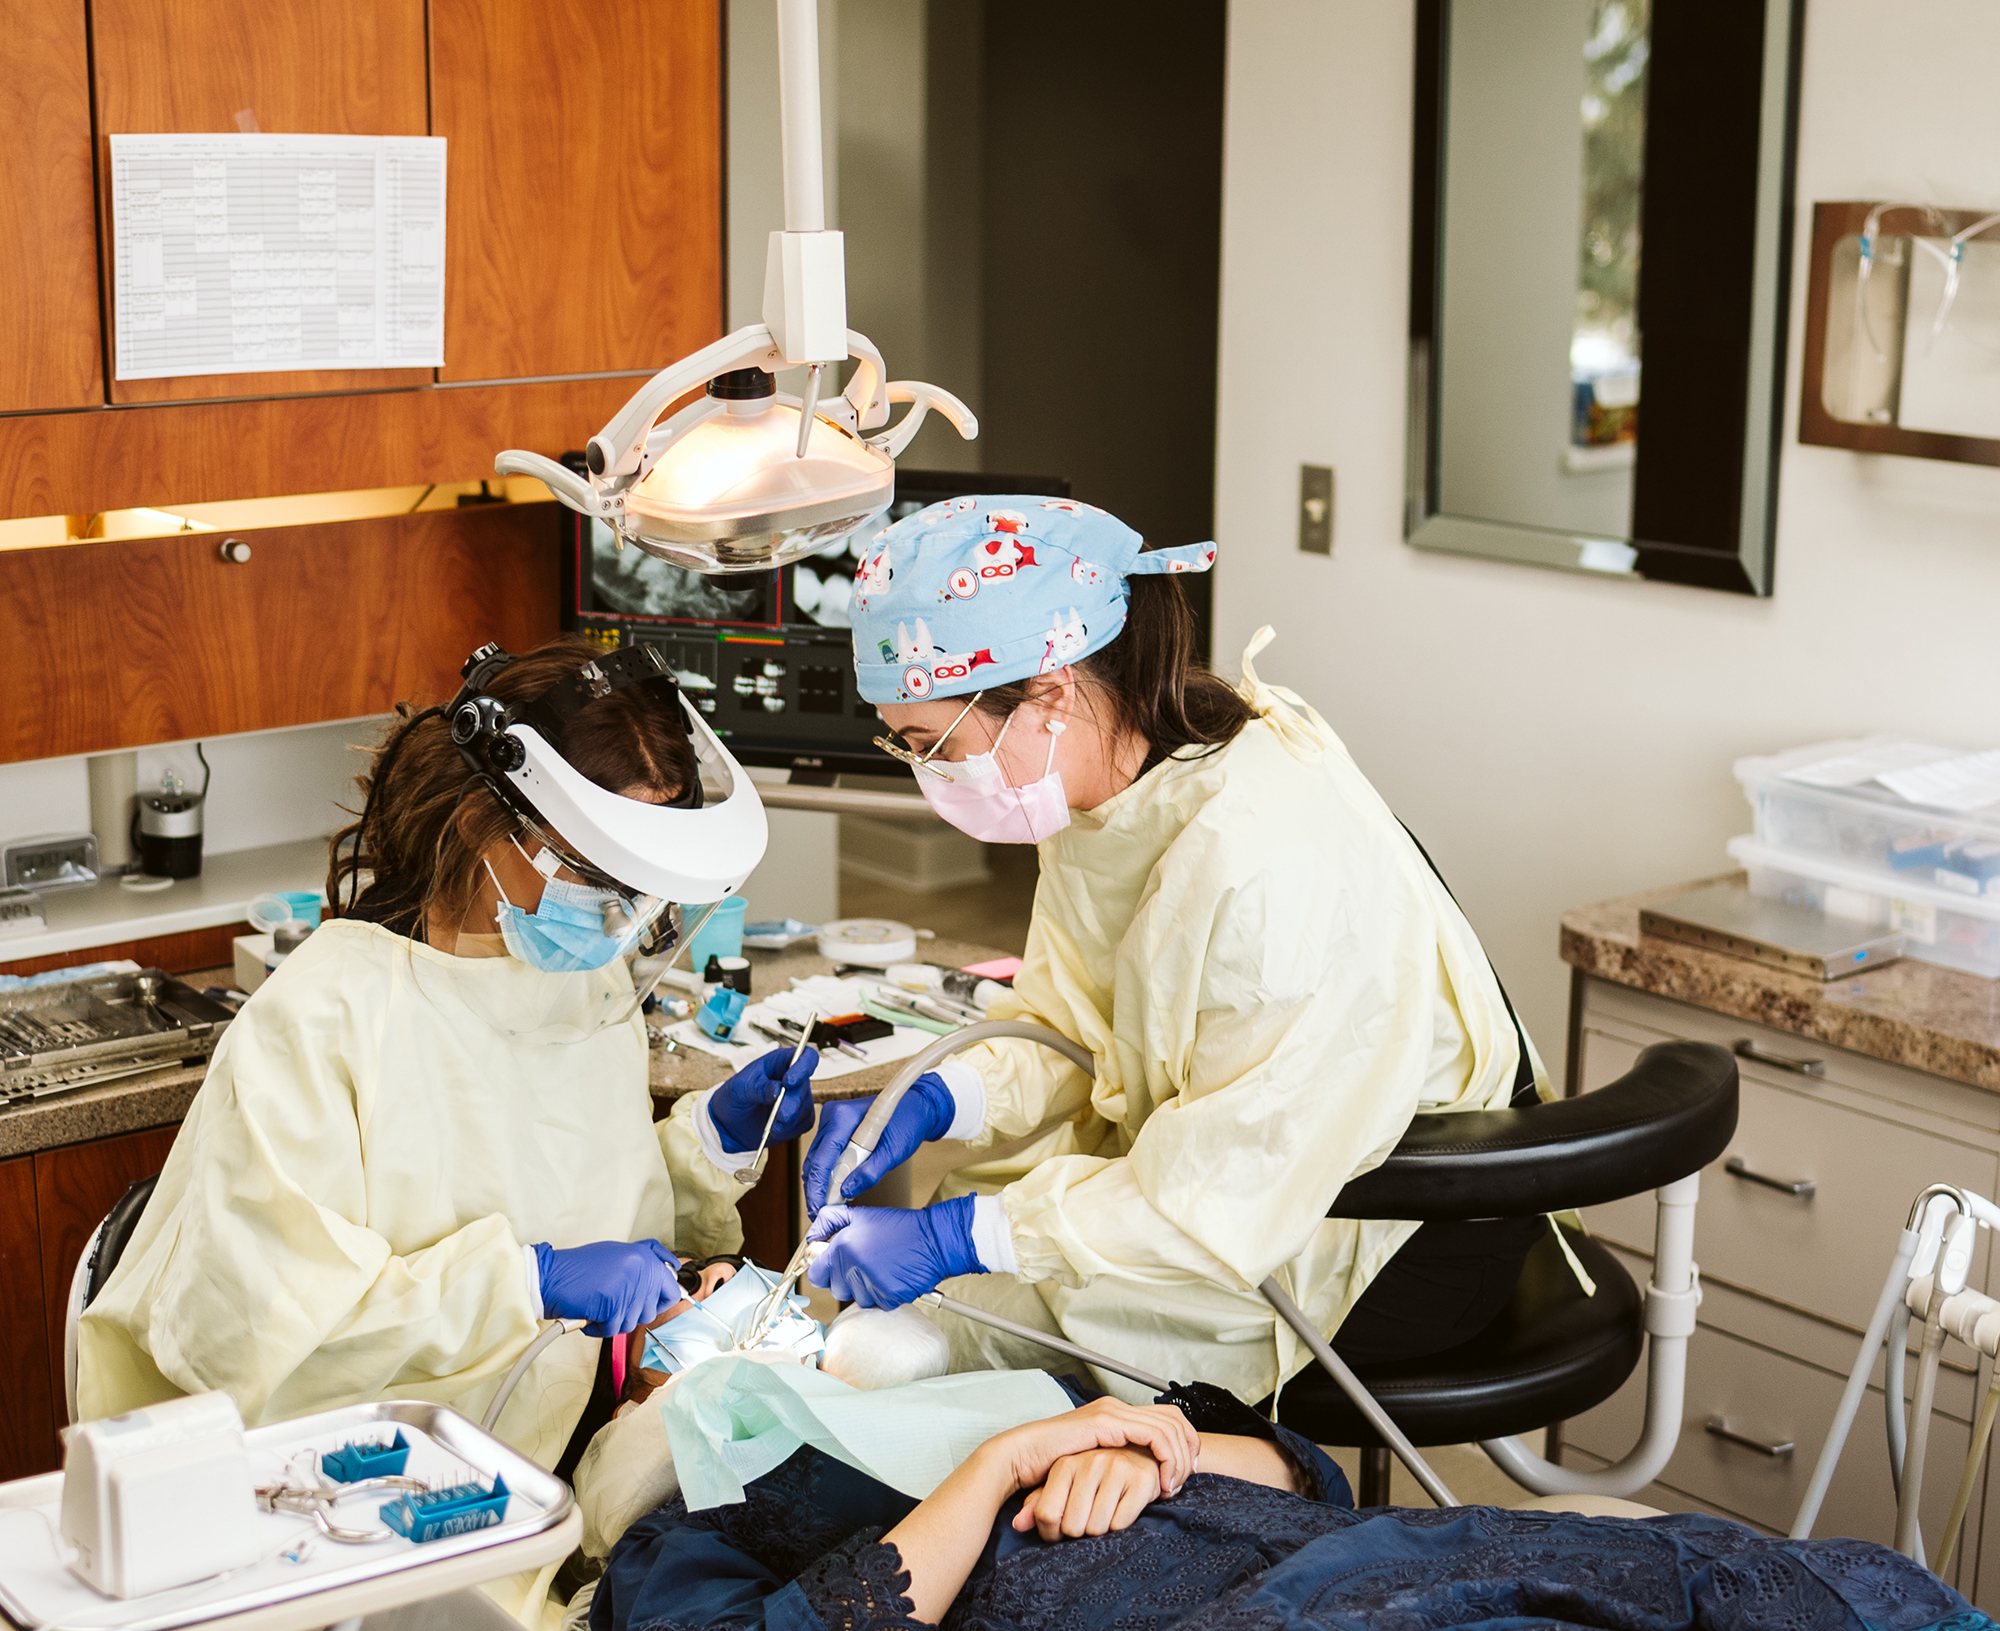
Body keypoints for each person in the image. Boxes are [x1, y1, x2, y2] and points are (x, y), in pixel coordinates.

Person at [77, 636, 821, 1609]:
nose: (623, 915)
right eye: (602, 875)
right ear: (485, 824)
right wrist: (526, 1279)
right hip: (305, 1521)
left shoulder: (581, 986)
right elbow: (262, 1329)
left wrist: (713, 1143)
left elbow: (604, 1216)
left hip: (503, 1505)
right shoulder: (326, 1017)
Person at [800, 497, 1552, 1406]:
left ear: (1050, 691)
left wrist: (963, 1239)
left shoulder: (1263, 857)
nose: (927, 777)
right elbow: (1072, 1027)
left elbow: (1222, 1191)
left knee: (937, 1341)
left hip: (1390, 1222)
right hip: (1226, 1167)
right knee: (946, 1307)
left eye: (934, 744)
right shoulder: (1113, 786)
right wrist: (934, 1097)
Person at [587, 1379, 1972, 1631]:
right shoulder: (701, 1521)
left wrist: (1159, 1449)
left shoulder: (1000, 1373)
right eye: (699, 1305)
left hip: (1390, 1560)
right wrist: (1001, 1464)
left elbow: (1303, 1473)